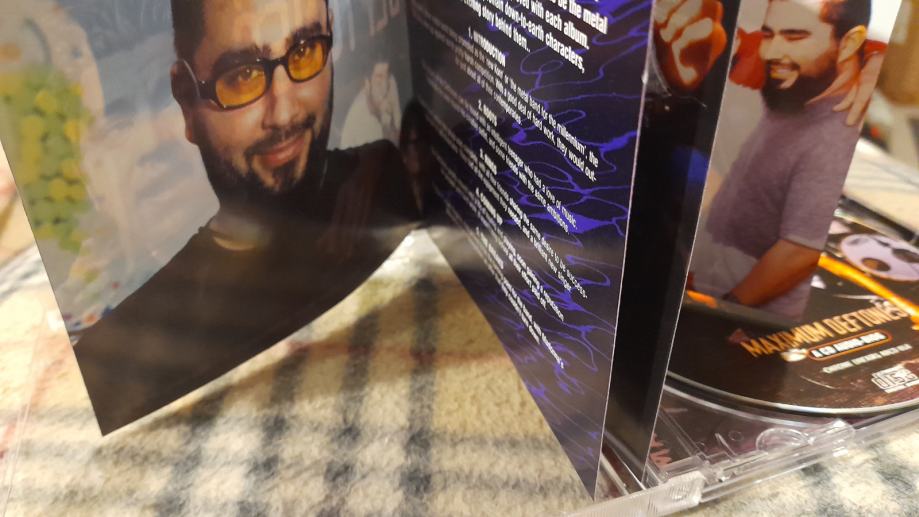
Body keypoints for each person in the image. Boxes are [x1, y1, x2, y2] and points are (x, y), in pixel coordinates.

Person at [73, 0, 417, 433]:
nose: (284, 113)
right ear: (186, 101)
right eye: (241, 77)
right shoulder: (117, 359)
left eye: (305, 51)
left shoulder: (385, 180)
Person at [689, 0, 874, 318]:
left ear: (850, 42)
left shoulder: (831, 135)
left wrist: (723, 310)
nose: (771, 51)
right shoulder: (796, 91)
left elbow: (799, 251)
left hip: (746, 316)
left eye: (794, 37)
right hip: (709, 282)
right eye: (769, 34)